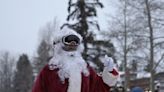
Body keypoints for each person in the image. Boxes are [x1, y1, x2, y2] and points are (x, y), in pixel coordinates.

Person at [32, 27, 119, 92]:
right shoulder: (48, 71)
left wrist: (109, 72)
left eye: (75, 43)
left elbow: (99, 88)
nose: (72, 46)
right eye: (68, 43)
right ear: (59, 46)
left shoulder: (86, 70)